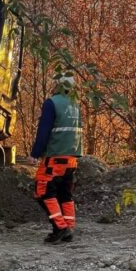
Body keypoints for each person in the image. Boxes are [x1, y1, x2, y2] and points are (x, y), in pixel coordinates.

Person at [27, 75, 82, 244]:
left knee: (43, 191)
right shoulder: (75, 105)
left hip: (55, 157)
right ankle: (69, 227)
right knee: (65, 194)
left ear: (57, 85)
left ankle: (60, 228)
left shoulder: (52, 103)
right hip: (72, 158)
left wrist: (35, 154)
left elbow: (44, 131)